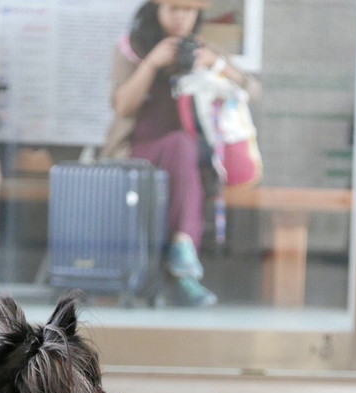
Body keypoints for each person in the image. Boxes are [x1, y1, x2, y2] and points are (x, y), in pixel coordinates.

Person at [101, 0, 261, 307]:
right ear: (156, 9)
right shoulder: (131, 48)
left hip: (188, 157)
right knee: (181, 146)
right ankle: (183, 270)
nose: (181, 18)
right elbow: (122, 105)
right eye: (174, 9)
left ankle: (183, 264)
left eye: (189, 11)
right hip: (139, 150)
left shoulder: (201, 48)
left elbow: (252, 90)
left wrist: (217, 65)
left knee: (187, 156)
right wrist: (151, 63)